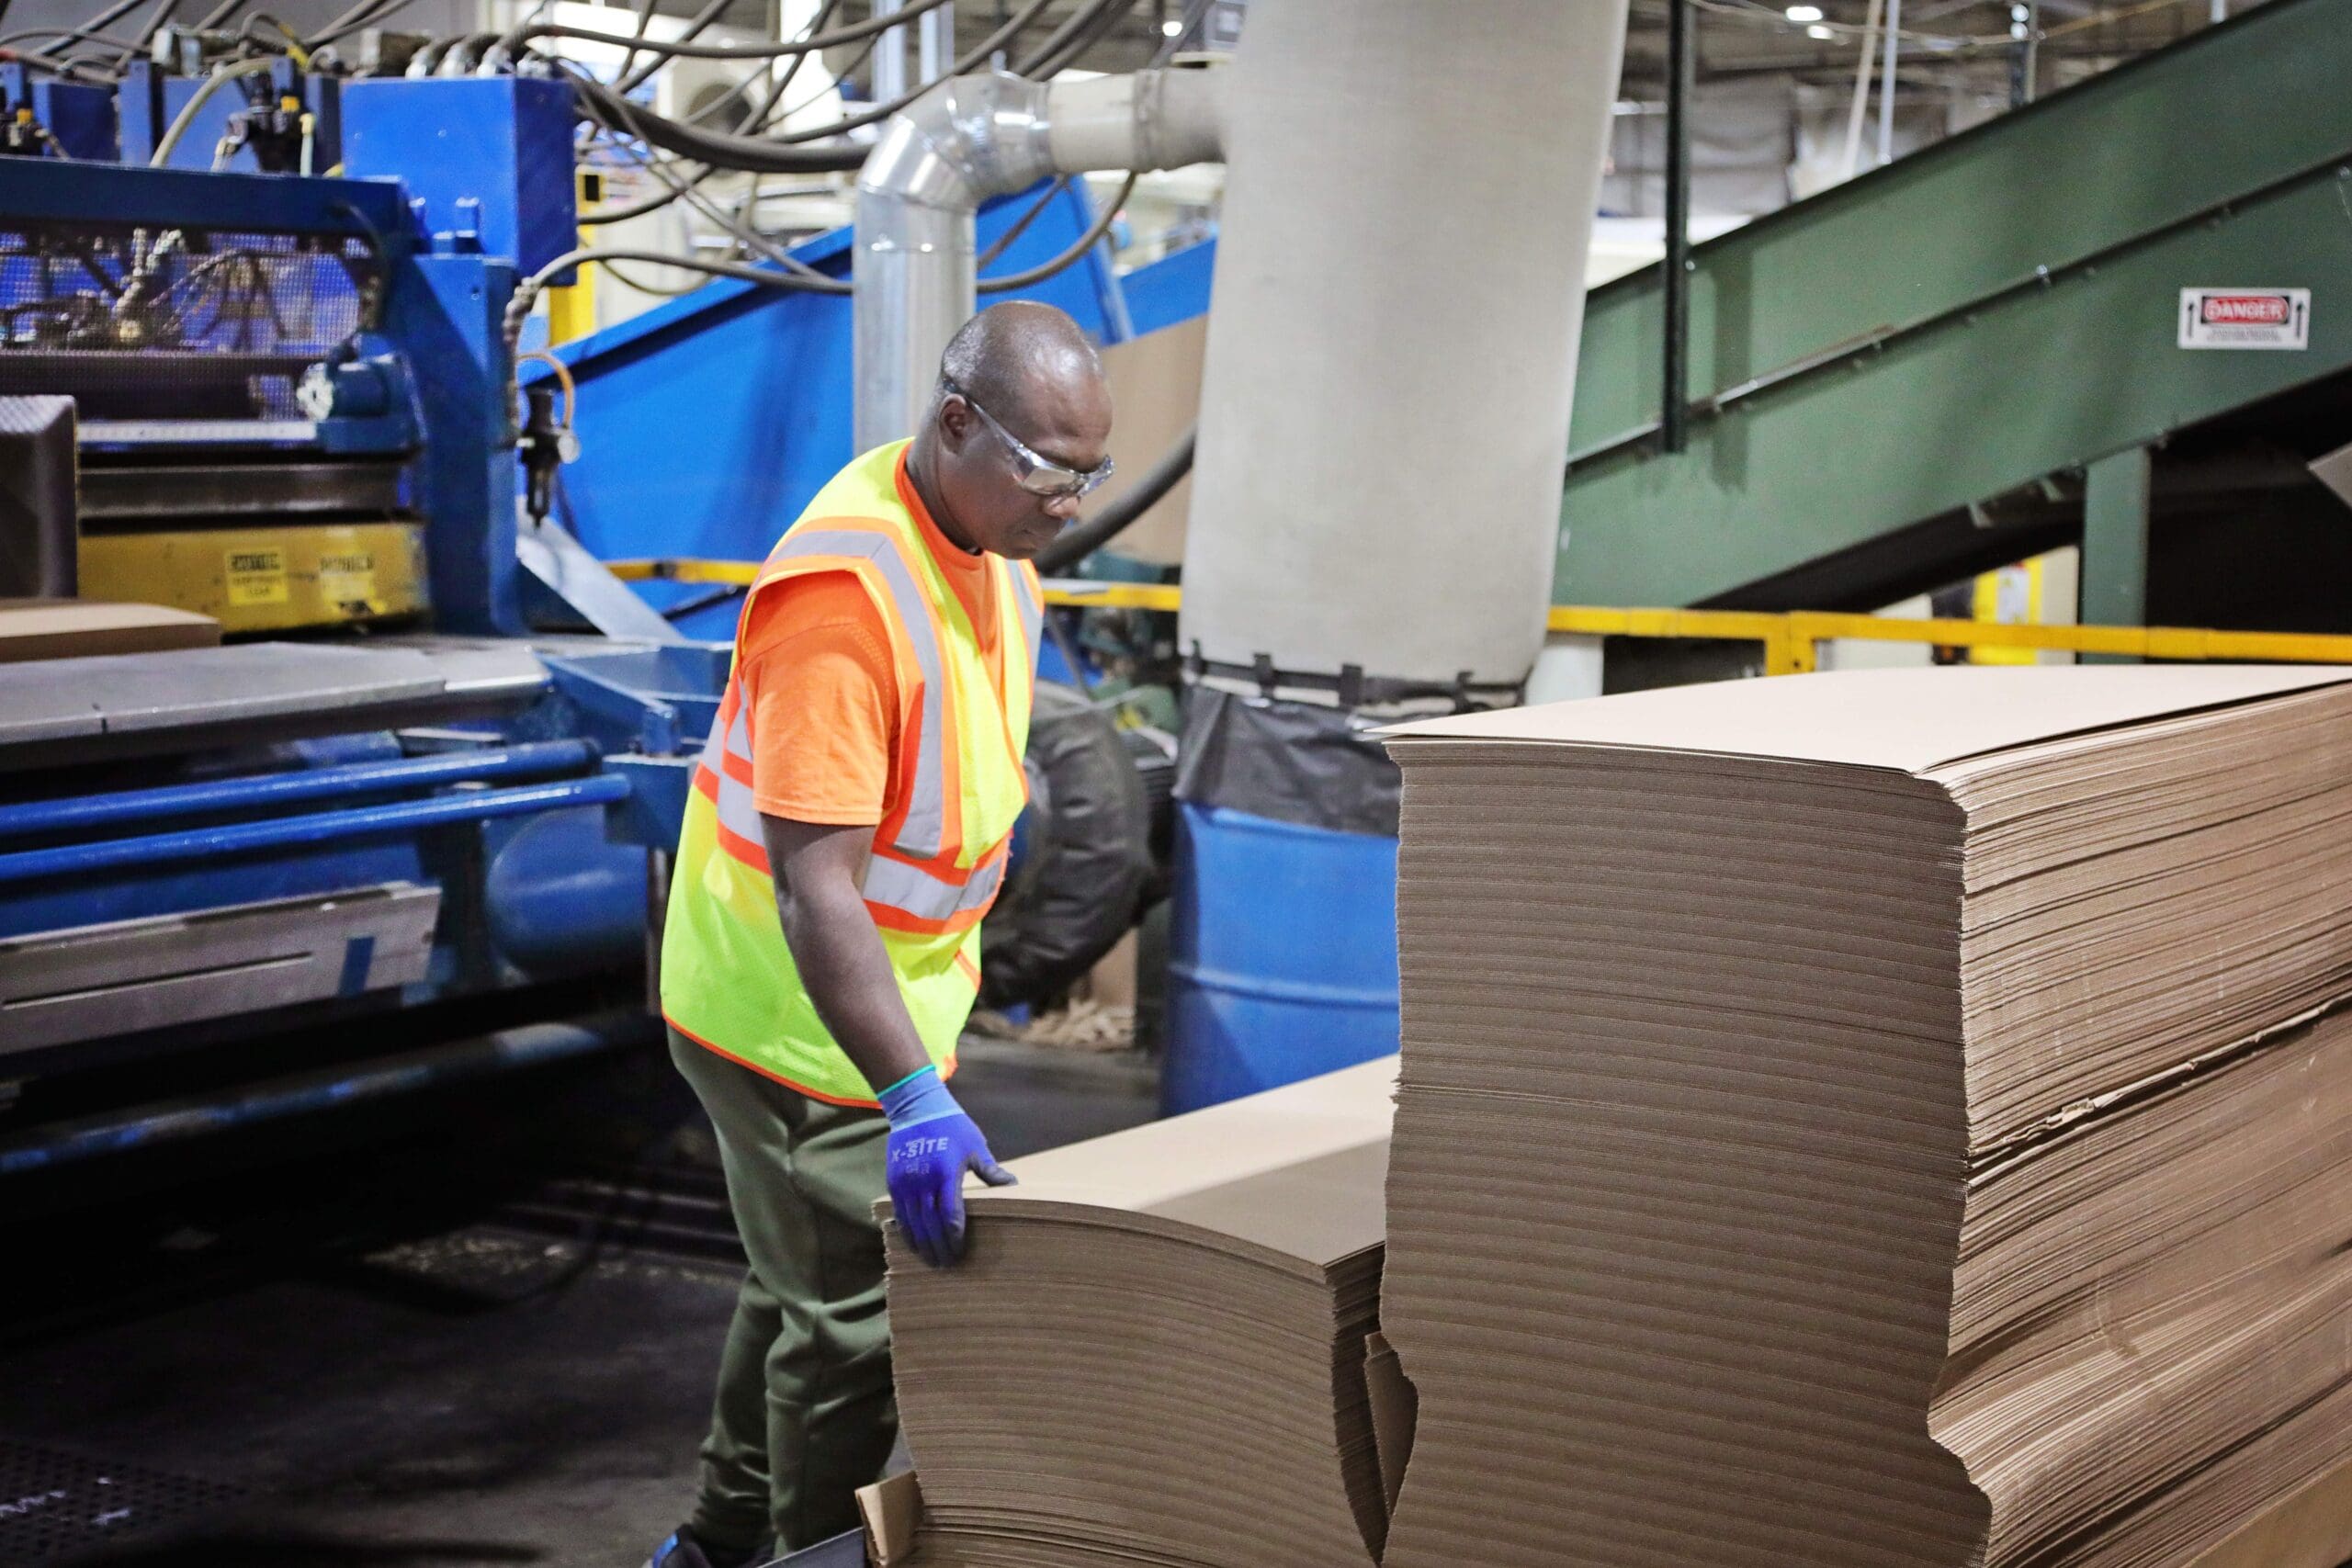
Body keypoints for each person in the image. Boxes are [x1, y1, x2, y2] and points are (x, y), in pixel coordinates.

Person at [648, 301, 1117, 1568]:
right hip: (794, 1017)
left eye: (1091, 473)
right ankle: (812, 1552)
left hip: (884, 1000)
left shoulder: (987, 538)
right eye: (1050, 471)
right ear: (957, 422)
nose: (1071, 504)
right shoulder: (845, 601)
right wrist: (909, 1093)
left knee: (799, 1280)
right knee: (851, 1328)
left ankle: (715, 1544)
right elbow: (819, 892)